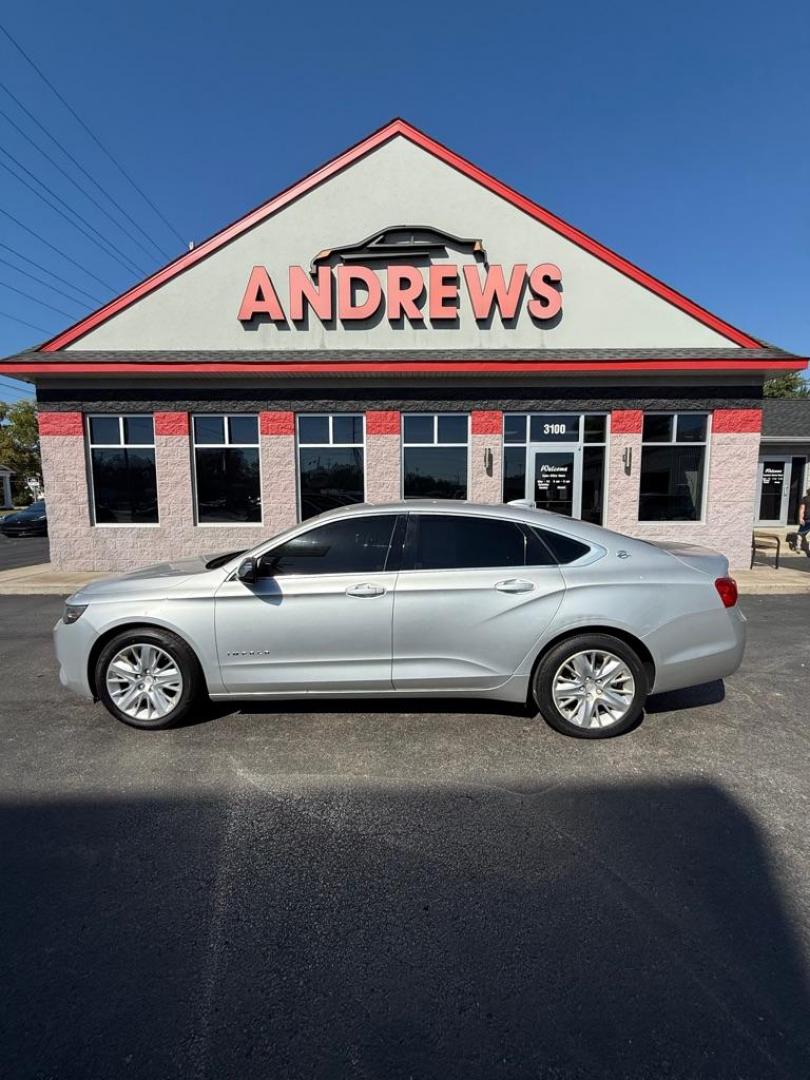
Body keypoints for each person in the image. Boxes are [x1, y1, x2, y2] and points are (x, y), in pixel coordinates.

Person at [798, 488, 810, 556]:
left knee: (800, 533)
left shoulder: (805, 499)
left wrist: (800, 518)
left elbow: (802, 509)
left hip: (807, 519)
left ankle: (798, 547)